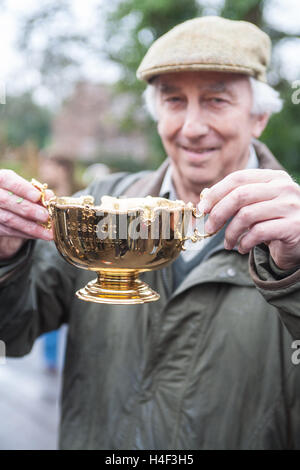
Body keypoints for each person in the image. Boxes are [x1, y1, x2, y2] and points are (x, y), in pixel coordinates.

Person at [1, 16, 300, 450]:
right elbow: (11, 335)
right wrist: (7, 257)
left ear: (258, 117)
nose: (192, 127)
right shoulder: (98, 207)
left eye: (216, 100)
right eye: (174, 100)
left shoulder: (291, 233)